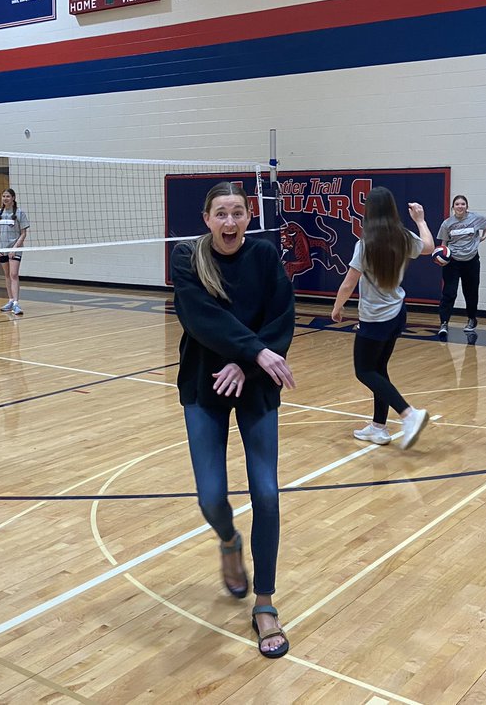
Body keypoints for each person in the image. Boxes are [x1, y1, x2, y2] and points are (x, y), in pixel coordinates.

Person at [171, 181, 296, 659]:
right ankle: (228, 539)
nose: (229, 222)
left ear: (249, 216)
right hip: (204, 383)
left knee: (266, 492)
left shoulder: (264, 256)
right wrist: (254, 351)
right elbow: (201, 318)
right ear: (207, 218)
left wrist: (247, 363)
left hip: (255, 382)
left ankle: (265, 602)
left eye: (237, 213)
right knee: (210, 497)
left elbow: (281, 316)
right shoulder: (188, 258)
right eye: (220, 213)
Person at [331, 188, 435, 449]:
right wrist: (421, 220)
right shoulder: (403, 237)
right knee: (378, 369)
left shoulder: (364, 243)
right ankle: (378, 428)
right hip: (397, 312)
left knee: (364, 371)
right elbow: (429, 247)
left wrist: (337, 307)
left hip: (375, 318)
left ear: (369, 212)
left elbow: (348, 283)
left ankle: (409, 414)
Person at [436, 194, 486, 338]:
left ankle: (472, 319)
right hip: (453, 262)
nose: (460, 206)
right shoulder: (447, 223)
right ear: (453, 207)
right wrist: (443, 257)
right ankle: (444, 323)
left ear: (467, 206)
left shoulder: (475, 218)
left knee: (471, 292)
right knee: (449, 293)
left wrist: (483, 236)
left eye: (463, 204)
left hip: (471, 260)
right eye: (457, 204)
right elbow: (444, 244)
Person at [0, 188, 30, 316]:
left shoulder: (19, 213)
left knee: (14, 274)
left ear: (13, 198)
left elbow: (23, 233)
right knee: (7, 275)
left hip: (15, 249)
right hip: (2, 249)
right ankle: (10, 300)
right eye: (3, 196)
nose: (5, 198)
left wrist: (15, 248)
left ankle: (16, 304)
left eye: (8, 196)